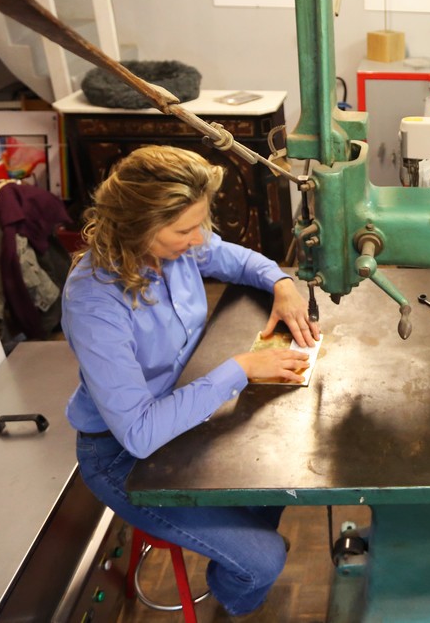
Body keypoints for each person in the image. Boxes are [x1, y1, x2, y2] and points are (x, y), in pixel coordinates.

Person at [63, 145, 321, 617]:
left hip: (181, 414)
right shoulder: (96, 302)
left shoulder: (176, 248)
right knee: (264, 561)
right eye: (185, 230)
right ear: (137, 226)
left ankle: (237, 548)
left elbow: (237, 260)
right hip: (120, 455)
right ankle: (232, 596)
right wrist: (241, 369)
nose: (199, 238)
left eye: (201, 222)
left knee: (274, 481)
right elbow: (139, 434)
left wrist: (282, 285)